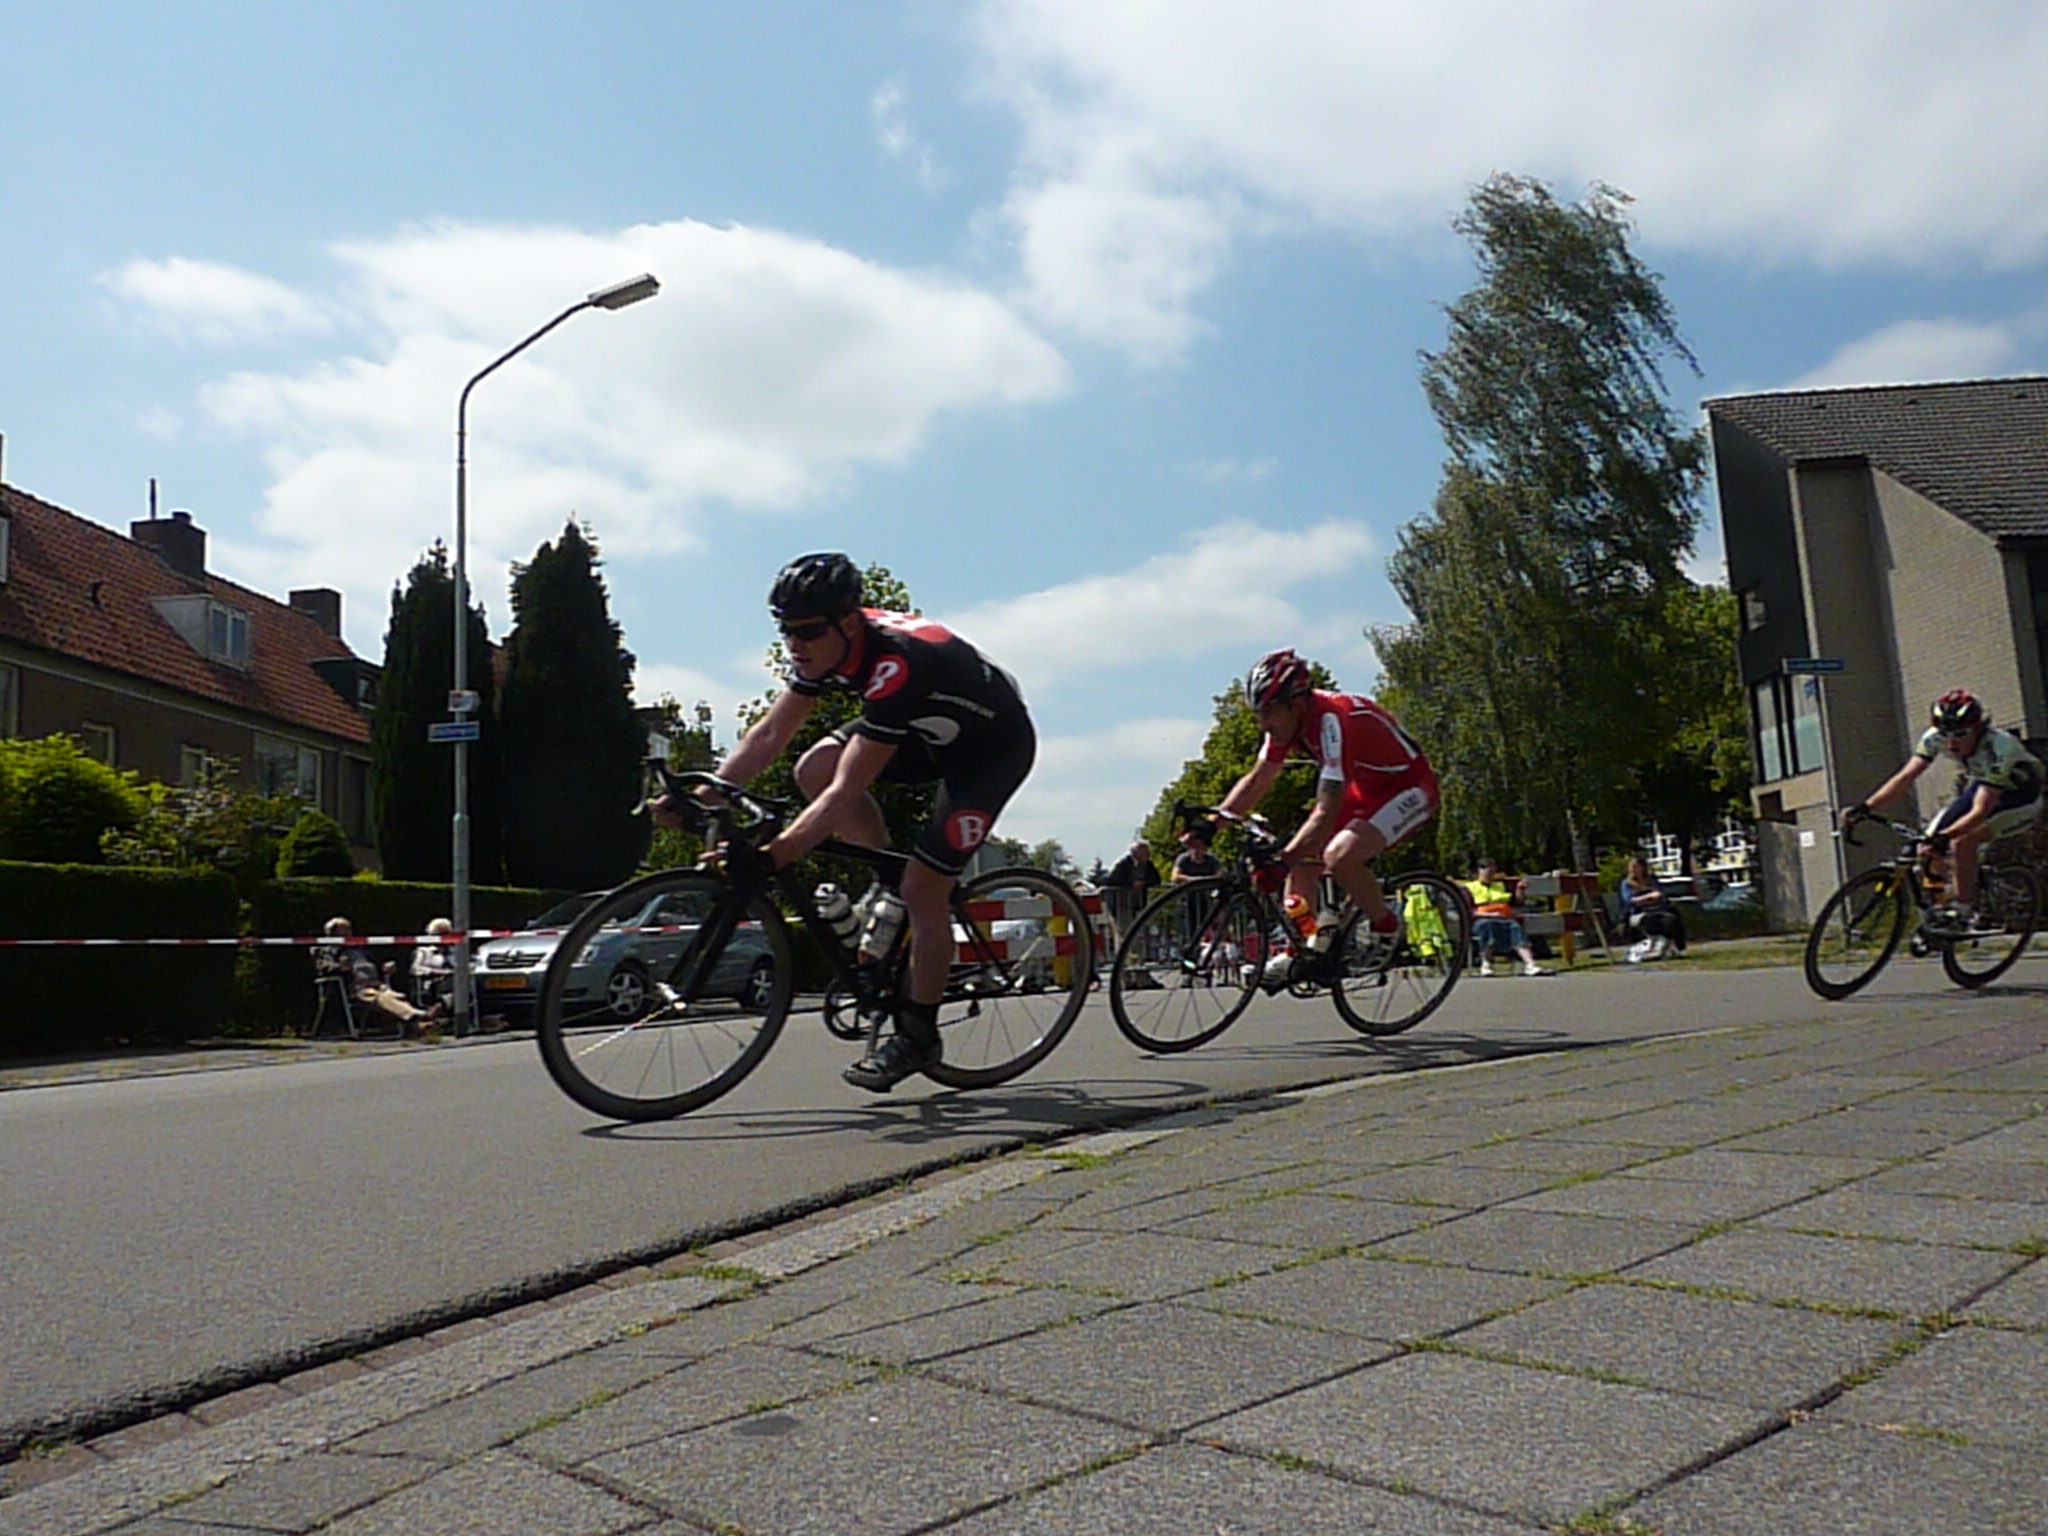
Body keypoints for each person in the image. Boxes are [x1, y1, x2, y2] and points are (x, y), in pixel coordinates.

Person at [659, 553, 1036, 1092]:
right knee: (809, 766)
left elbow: (846, 793)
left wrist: (775, 855)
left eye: (808, 631)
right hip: (926, 731)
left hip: (989, 753)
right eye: (786, 631)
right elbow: (768, 736)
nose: (796, 644)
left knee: (924, 885)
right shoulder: (827, 648)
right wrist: (702, 796)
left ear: (849, 622)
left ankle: (917, 1034)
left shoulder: (897, 663)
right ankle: (889, 888)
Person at [1218, 648, 1438, 988]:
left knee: (1338, 856)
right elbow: (1258, 778)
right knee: (1302, 864)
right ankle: (1306, 944)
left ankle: (1387, 930)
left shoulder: (1334, 721)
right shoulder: (1287, 724)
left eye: (1270, 712)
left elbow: (1326, 810)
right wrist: (1215, 821)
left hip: (1407, 787)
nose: (1264, 723)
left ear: (1298, 702)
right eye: (1259, 713)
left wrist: (1283, 859)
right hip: (1363, 789)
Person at [1842, 688, 2044, 934]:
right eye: (1945, 734)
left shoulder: (2000, 748)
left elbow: (1980, 811)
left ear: (1978, 728)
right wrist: (1866, 807)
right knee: (1925, 847)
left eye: (1960, 734)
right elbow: (1906, 777)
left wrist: (1945, 837)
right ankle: (1939, 912)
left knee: (1962, 842)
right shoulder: (1933, 737)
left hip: (2019, 799)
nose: (1951, 742)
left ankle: (1964, 912)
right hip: (1983, 785)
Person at [314, 917, 443, 1036]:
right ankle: (420, 1016)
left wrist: (384, 968)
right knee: (383, 998)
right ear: (332, 933)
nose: (349, 933)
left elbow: (373, 963)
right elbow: (323, 968)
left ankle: (418, 1025)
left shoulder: (359, 948)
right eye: (344, 930)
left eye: (349, 929)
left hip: (375, 983)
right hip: (354, 987)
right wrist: (340, 968)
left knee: (394, 996)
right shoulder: (326, 950)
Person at [1459, 858, 1549, 977]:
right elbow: (1467, 911)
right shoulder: (1469, 889)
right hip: (1482, 919)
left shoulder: (1500, 886)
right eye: (1484, 868)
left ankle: (1530, 964)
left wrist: (1520, 890)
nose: (1488, 871)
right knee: (1486, 927)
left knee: (1515, 927)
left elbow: (1516, 902)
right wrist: (1490, 915)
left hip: (1504, 919)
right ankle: (1486, 964)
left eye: (1491, 868)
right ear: (1477, 871)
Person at [1618, 856, 1688, 962]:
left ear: (1643, 868)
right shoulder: (1627, 884)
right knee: (1653, 919)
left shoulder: (1652, 880)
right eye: (1631, 867)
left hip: (1657, 909)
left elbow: (1660, 894)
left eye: (1636, 867)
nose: (1633, 870)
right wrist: (1649, 897)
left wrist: (1650, 898)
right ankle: (1655, 945)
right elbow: (1630, 901)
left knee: (1673, 916)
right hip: (1638, 913)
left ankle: (1677, 946)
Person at [409, 916, 457, 1009]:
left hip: (455, 982)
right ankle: (441, 1006)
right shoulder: (424, 952)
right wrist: (434, 971)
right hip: (433, 983)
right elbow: (414, 969)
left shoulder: (456, 951)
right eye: (439, 935)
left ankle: (442, 1006)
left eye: (446, 934)